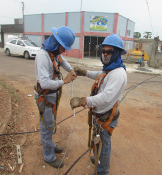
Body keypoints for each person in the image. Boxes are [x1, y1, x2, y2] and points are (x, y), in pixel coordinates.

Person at [70, 34, 127, 175]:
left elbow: (106, 97)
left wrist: (84, 101)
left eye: (109, 52)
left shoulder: (118, 73)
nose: (105, 54)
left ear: (117, 53)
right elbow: (100, 75)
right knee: (98, 141)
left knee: (105, 145)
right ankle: (97, 158)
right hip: (99, 113)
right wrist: (85, 73)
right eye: (103, 51)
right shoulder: (110, 69)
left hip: (106, 116)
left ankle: (102, 171)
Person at [34, 26, 77, 168]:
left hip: (52, 95)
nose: (64, 51)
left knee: (51, 122)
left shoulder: (53, 53)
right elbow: (44, 82)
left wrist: (71, 70)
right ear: (56, 43)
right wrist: (64, 81)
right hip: (45, 96)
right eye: (63, 47)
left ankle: (50, 145)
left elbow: (62, 61)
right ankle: (49, 156)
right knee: (47, 126)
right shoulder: (43, 56)